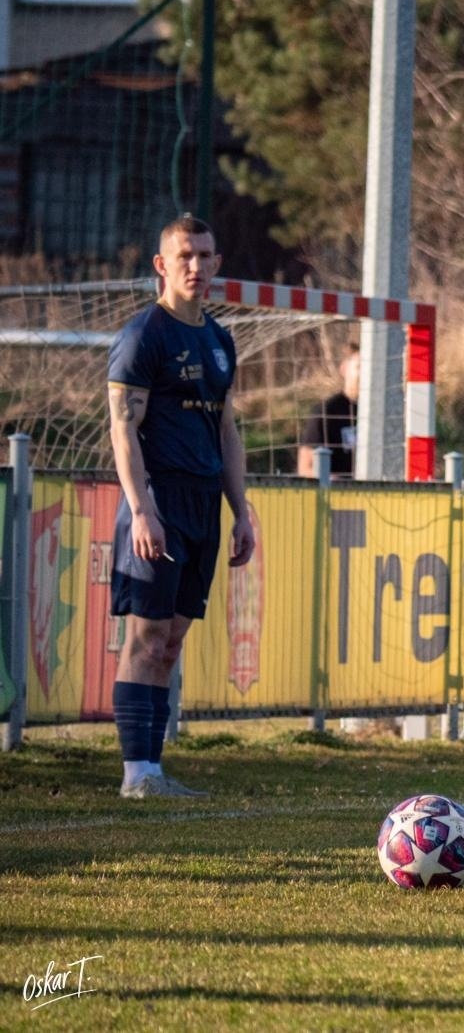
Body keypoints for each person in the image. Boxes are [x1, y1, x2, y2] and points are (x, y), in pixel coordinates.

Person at [107, 214, 255, 799]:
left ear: (217, 262)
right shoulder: (144, 336)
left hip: (204, 504)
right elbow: (122, 429)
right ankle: (135, 774)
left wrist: (241, 511)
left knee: (172, 641)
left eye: (205, 255)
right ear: (161, 265)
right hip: (159, 499)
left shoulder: (219, 340)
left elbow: (227, 432)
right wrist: (142, 509)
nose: (196, 266)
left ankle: (153, 769)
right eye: (185, 256)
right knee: (146, 638)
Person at [297, 341, 360, 477]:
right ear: (344, 369)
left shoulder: (383, 414)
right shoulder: (327, 411)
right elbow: (305, 468)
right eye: (359, 367)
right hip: (338, 488)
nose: (366, 374)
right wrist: (330, 479)